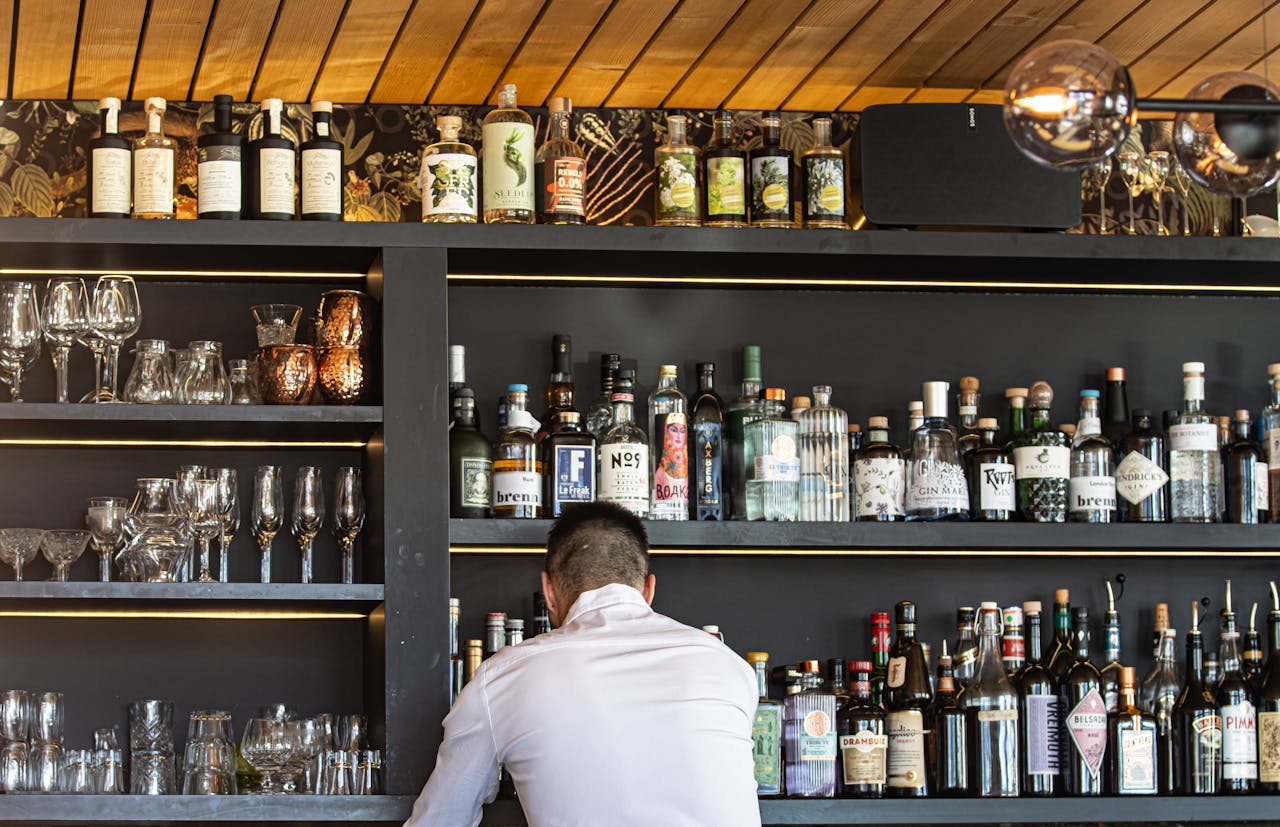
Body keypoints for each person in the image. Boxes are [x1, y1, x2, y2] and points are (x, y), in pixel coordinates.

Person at [405, 501, 761, 827]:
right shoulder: (731, 668)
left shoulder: (504, 677)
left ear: (548, 592)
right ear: (648, 590)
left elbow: (440, 819)